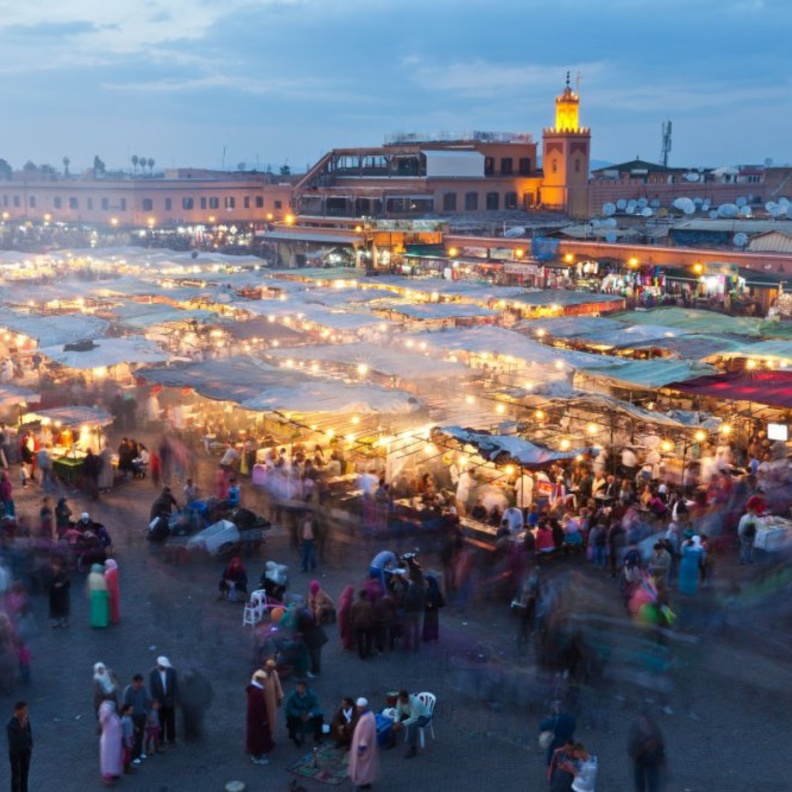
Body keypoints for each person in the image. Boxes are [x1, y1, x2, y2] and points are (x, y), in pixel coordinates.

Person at [629, 709, 666, 792]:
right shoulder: (636, 730)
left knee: (653, 786)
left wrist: (661, 758)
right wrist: (643, 747)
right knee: (639, 786)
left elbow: (660, 747)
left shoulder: (655, 729)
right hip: (639, 761)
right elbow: (632, 748)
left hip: (652, 762)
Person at [349, 697, 378, 790]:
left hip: (364, 748)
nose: (357, 709)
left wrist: (360, 749)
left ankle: (360, 784)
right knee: (366, 767)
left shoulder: (366, 720)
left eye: (359, 707)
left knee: (361, 768)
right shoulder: (370, 715)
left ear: (363, 707)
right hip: (368, 746)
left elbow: (365, 736)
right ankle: (366, 783)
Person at [285, 679, 324, 748]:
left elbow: (316, 706)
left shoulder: (311, 695)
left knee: (320, 718)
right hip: (298, 713)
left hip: (308, 712)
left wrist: (310, 714)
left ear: (304, 688)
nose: (298, 689)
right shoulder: (293, 696)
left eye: (300, 688)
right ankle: (294, 738)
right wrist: (299, 714)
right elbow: (290, 708)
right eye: (297, 687)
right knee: (290, 720)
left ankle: (317, 736)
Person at [392, 690, 430, 759]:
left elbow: (414, 718)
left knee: (412, 726)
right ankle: (392, 741)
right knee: (393, 721)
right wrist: (396, 722)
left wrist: (401, 724)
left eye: (402, 701)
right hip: (410, 713)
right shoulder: (400, 700)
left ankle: (413, 748)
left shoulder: (415, 703)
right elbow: (398, 712)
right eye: (400, 700)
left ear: (407, 698)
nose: (401, 702)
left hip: (423, 716)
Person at [149, 656, 178, 747]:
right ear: (158, 664)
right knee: (160, 721)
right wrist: (156, 701)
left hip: (170, 701)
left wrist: (175, 699)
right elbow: (152, 688)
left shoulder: (172, 672)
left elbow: (175, 687)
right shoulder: (152, 673)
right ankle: (161, 739)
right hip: (159, 702)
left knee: (171, 721)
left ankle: (171, 739)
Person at [245, 670, 273, 766]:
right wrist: (264, 719)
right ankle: (256, 755)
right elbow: (260, 708)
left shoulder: (254, 690)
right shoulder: (257, 693)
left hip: (255, 718)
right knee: (257, 736)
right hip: (258, 719)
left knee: (257, 735)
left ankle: (259, 749)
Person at [122, 673, 150, 765]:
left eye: (141, 683)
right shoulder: (128, 691)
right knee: (133, 737)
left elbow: (146, 701)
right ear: (134, 682)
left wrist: (148, 714)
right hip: (132, 717)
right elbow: (126, 706)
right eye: (138, 683)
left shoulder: (143, 689)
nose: (140, 685)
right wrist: (133, 724)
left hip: (142, 715)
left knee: (141, 736)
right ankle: (133, 756)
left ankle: (139, 752)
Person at [539, 700, 577, 766]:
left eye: (556, 707)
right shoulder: (571, 718)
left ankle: (551, 772)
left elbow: (541, 727)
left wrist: (547, 719)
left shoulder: (554, 719)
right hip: (569, 741)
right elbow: (574, 728)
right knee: (570, 759)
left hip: (556, 743)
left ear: (557, 709)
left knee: (551, 761)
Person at [7, 701, 32, 792]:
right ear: (18, 711)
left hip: (25, 752)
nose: (26, 712)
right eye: (24, 710)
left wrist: (30, 745)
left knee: (24, 776)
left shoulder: (25, 720)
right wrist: (21, 728)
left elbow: (29, 732)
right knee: (16, 777)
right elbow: (14, 742)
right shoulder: (11, 726)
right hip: (16, 755)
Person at [98, 700, 123, 786]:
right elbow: (104, 717)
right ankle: (107, 777)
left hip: (115, 742)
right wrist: (107, 710)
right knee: (108, 760)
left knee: (115, 758)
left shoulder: (113, 715)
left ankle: (114, 773)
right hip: (108, 743)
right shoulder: (106, 717)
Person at [260, 659, 284, 740]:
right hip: (262, 702)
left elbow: (277, 685)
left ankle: (269, 736)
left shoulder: (274, 673)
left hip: (272, 701)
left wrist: (279, 698)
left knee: (272, 720)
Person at [350, 589, 375, 660]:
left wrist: (352, 623)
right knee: (369, 639)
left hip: (357, 624)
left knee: (359, 640)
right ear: (365, 596)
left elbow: (351, 615)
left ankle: (361, 655)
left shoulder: (354, 604)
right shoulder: (369, 604)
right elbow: (371, 615)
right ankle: (368, 652)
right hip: (367, 624)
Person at [737, 496, 763, 565]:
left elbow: (757, 526)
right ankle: (742, 559)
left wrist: (756, 534)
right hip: (745, 535)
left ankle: (749, 559)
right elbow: (741, 527)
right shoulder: (744, 518)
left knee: (751, 548)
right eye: (751, 510)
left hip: (752, 536)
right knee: (744, 547)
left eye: (753, 510)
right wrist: (740, 535)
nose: (752, 512)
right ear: (748, 510)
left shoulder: (755, 518)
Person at [48, 557, 70, 628]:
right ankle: (56, 620)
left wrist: (62, 584)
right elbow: (47, 583)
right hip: (53, 594)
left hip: (62, 594)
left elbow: (68, 583)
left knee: (62, 607)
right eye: (54, 565)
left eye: (57, 566)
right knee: (54, 608)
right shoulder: (50, 574)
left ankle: (63, 621)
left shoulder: (63, 574)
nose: (55, 567)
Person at [422, 576, 445, 642]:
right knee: (432, 623)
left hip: (430, 609)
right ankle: (432, 636)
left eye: (427, 581)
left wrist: (428, 605)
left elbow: (432, 600)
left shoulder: (432, 590)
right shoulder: (434, 589)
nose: (426, 582)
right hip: (433, 610)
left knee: (429, 623)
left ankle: (428, 636)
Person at [87, 563, 109, 628]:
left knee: (94, 609)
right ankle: (101, 622)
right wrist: (107, 594)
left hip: (93, 593)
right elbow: (103, 587)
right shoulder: (100, 577)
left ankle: (94, 622)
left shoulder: (90, 575)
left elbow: (88, 585)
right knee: (101, 609)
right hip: (101, 594)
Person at [120, 704, 136, 774]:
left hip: (130, 737)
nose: (132, 711)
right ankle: (126, 768)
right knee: (126, 755)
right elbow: (126, 734)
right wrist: (128, 743)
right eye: (130, 710)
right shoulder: (125, 721)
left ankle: (128, 765)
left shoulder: (128, 718)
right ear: (125, 711)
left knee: (128, 754)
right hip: (128, 740)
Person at [104, 559, 120, 624]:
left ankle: (114, 618)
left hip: (112, 590)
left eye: (106, 565)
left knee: (113, 604)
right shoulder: (112, 571)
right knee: (113, 604)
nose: (105, 566)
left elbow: (106, 580)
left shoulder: (111, 572)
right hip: (113, 589)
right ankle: (113, 617)